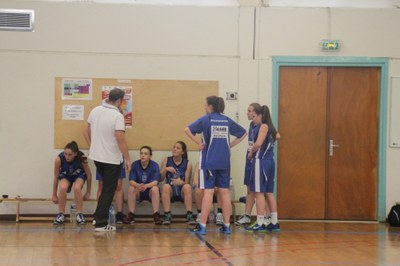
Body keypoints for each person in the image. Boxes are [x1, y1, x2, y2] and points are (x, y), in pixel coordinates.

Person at [185, 96, 246, 235]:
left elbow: (187, 129)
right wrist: (229, 145)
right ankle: (226, 226)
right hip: (224, 161)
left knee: (208, 192)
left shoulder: (206, 119)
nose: (204, 107)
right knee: (224, 193)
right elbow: (243, 133)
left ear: (210, 106)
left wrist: (198, 143)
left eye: (205, 105)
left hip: (210, 161)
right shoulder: (226, 120)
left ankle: (202, 226)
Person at [83, 88, 131, 232]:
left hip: (97, 157)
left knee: (105, 189)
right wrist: (127, 158)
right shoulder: (117, 116)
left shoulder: (95, 110)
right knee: (109, 190)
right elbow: (120, 137)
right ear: (118, 101)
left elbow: (86, 132)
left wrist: (94, 147)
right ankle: (101, 223)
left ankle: (97, 217)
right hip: (111, 158)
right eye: (122, 101)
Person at [245, 105, 280, 232]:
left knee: (259, 192)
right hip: (270, 161)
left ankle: (260, 221)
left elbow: (258, 144)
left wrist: (251, 153)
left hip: (261, 161)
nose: (253, 118)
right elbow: (278, 136)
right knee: (269, 193)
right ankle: (274, 221)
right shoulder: (271, 128)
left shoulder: (264, 126)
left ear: (260, 115)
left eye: (254, 116)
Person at [236, 103, 271, 226]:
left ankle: (266, 217)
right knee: (250, 189)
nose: (247, 113)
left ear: (256, 113)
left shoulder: (264, 126)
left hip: (259, 160)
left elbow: (275, 136)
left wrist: (266, 148)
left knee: (262, 191)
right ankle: (247, 215)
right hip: (250, 160)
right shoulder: (251, 125)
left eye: (249, 110)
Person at [52, 141, 92, 225]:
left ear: (75, 154)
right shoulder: (59, 159)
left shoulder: (82, 157)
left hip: (79, 175)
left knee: (77, 188)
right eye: (65, 154)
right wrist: (54, 194)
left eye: (70, 155)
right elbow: (56, 177)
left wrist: (88, 192)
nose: (67, 157)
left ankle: (79, 214)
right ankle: (61, 214)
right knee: (63, 188)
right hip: (66, 175)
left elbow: (89, 174)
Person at [123, 146, 162, 225]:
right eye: (141, 153)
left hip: (149, 191)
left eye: (145, 154)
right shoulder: (135, 164)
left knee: (155, 188)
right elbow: (131, 181)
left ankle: (156, 215)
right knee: (131, 188)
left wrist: (146, 186)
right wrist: (138, 185)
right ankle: (131, 215)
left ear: (150, 156)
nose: (143, 155)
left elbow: (156, 182)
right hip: (139, 191)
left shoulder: (155, 165)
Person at [161, 141, 196, 225]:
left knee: (187, 186)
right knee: (165, 186)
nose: (174, 149)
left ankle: (189, 215)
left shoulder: (187, 163)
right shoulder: (167, 160)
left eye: (177, 148)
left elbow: (187, 181)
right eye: (174, 147)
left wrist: (181, 183)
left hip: (181, 191)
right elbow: (160, 178)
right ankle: (167, 215)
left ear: (183, 152)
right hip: (171, 190)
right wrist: (165, 169)